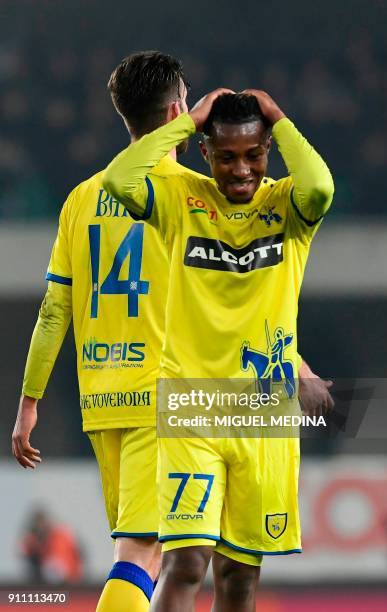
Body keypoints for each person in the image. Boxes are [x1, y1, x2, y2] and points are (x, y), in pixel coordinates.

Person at [12, 51, 331, 612]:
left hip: (107, 394)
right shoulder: (183, 198)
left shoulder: (80, 200)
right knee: (152, 556)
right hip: (171, 395)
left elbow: (54, 311)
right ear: (185, 113)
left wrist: (30, 400)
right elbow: (213, 304)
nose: (240, 168)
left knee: (166, 559)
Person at [103, 89, 334, 611]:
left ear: (268, 151)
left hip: (263, 412)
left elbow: (321, 186)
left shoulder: (288, 206)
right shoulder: (181, 198)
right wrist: (191, 121)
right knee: (185, 562)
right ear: (206, 154)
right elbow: (120, 179)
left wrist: (278, 115)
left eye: (253, 154)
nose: (241, 170)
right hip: (191, 405)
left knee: (238, 577)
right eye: (226, 157)